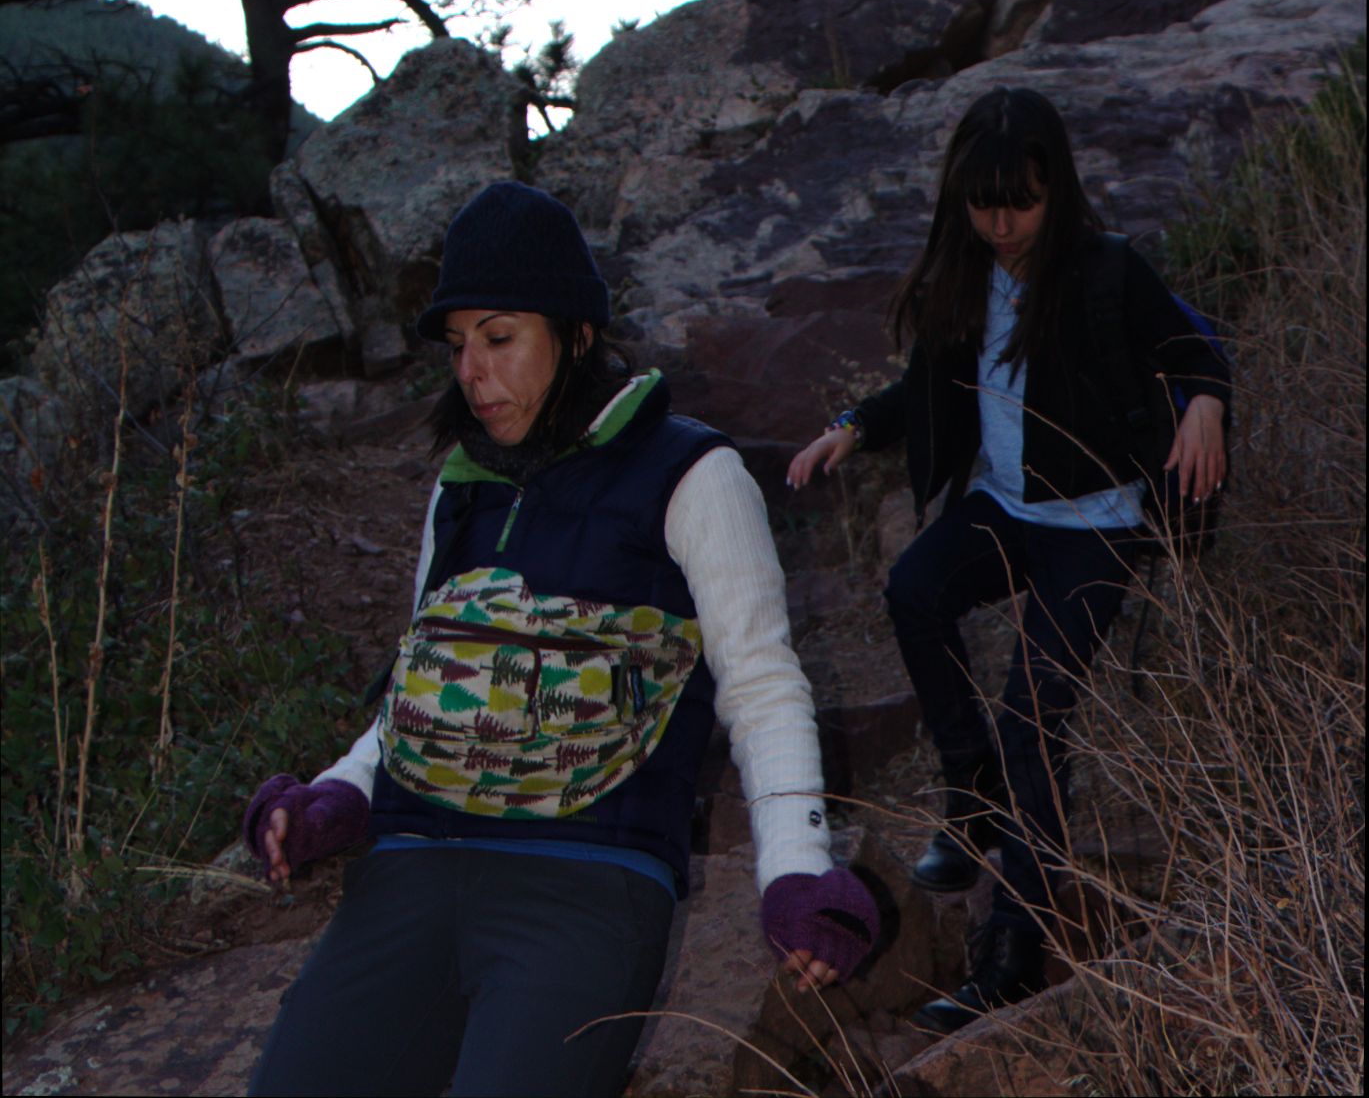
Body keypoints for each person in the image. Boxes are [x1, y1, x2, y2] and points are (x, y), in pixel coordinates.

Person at [244, 181, 879, 1098]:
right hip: (413, 864)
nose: (472, 371)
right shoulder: (461, 485)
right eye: (459, 344)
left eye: (499, 337)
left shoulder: (692, 473)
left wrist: (797, 868)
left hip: (591, 876)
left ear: (576, 334)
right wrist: (340, 792)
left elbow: (761, 684)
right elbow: (425, 679)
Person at [787, 87, 1229, 1035]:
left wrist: (1203, 402)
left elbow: (1192, 345)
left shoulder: (1104, 269)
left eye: (1018, 203)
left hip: (1095, 521)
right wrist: (852, 426)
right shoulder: (963, 274)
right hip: (1000, 505)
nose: (999, 223)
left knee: (1034, 711)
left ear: (1053, 191)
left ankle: (1014, 948)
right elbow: (922, 388)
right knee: (914, 590)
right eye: (982, 204)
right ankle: (973, 798)